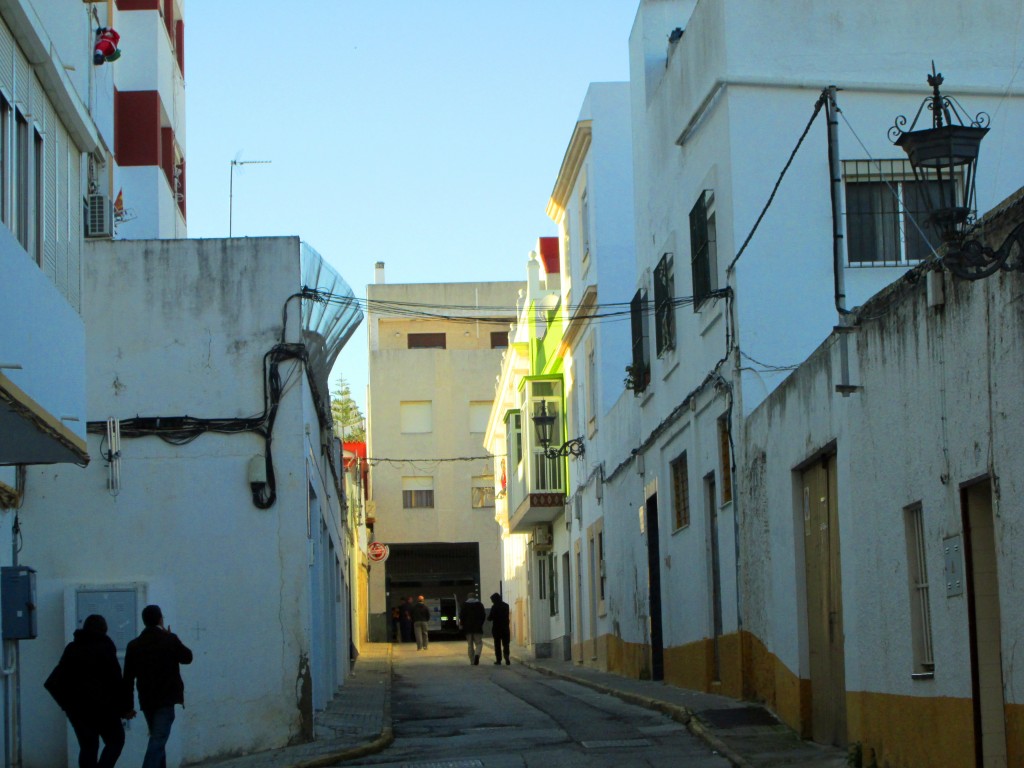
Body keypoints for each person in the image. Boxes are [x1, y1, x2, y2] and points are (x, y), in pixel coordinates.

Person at [44, 614, 128, 768]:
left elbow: (52, 682)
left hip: (79, 711)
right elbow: (116, 680)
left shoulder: (72, 648)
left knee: (88, 747)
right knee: (116, 741)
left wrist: (67, 706)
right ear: (104, 629)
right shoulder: (106, 646)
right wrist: (124, 708)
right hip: (105, 709)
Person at [123, 605, 194, 768]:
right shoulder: (169, 639)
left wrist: (127, 706)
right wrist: (172, 637)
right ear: (160, 619)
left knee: (157, 739)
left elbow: (127, 679)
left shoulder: (134, 645)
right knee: (158, 741)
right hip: (166, 698)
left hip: (147, 700)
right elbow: (187, 657)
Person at [459, 592, 486, 665]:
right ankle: (477, 655)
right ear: (475, 597)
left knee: (470, 644)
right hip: (477, 628)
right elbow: (483, 615)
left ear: (468, 597)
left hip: (467, 628)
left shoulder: (464, 605)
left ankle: (472, 660)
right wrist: (480, 624)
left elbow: (461, 616)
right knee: (479, 643)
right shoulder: (480, 605)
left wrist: (462, 625)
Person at [488, 592, 511, 666]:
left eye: (492, 600)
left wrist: (488, 618)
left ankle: (498, 660)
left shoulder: (494, 607)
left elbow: (490, 617)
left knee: (497, 645)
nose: (492, 601)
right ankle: (507, 657)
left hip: (497, 628)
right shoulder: (506, 606)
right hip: (505, 628)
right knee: (506, 644)